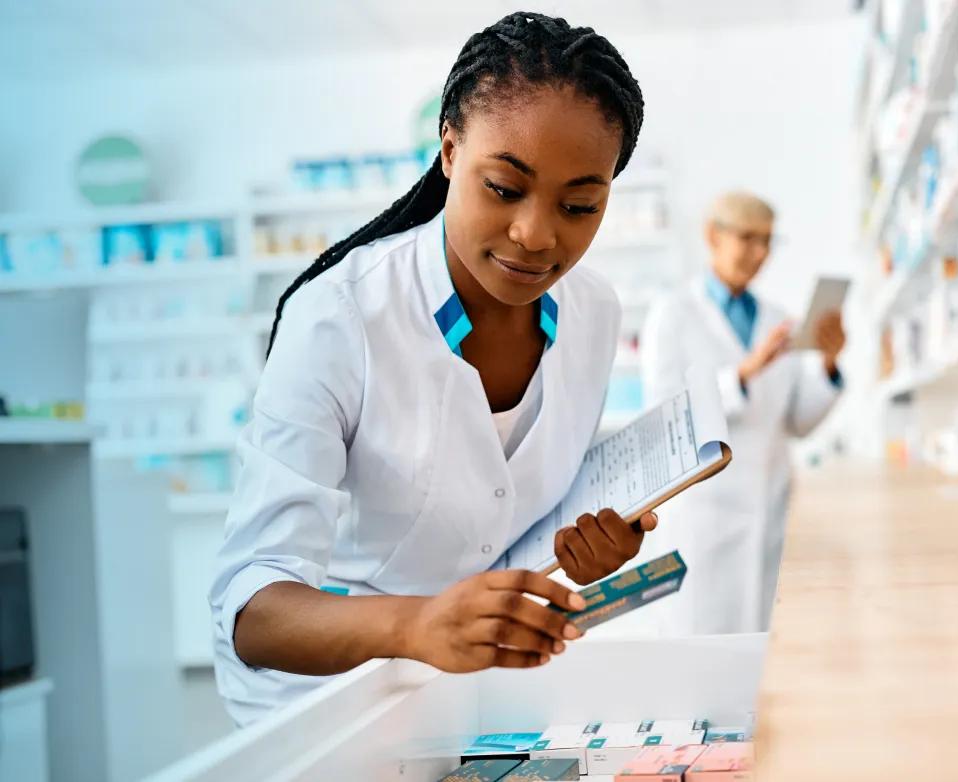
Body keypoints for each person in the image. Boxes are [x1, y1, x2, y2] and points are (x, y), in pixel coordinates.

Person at [210, 12, 654, 726]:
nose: (537, 235)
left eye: (579, 205)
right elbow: (253, 613)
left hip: (470, 696)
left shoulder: (593, 310)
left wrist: (587, 543)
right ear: (450, 151)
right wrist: (414, 627)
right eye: (505, 189)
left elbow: (502, 516)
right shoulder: (338, 319)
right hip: (319, 709)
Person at [640, 192, 845, 634]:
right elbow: (664, 416)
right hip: (702, 516)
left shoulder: (777, 319)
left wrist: (828, 363)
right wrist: (745, 373)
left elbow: (797, 422)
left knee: (758, 652)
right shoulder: (672, 315)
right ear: (713, 236)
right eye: (748, 238)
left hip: (766, 508)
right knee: (698, 652)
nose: (759, 253)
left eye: (768, 241)